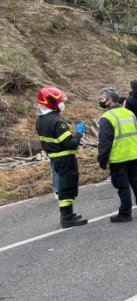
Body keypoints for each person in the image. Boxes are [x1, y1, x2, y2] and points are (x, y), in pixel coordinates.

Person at [36, 86, 88, 228]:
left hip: (56, 159)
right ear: (52, 103)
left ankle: (69, 214)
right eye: (60, 101)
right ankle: (67, 217)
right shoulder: (57, 122)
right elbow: (70, 143)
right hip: (65, 160)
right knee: (67, 188)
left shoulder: (40, 120)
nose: (63, 103)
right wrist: (79, 133)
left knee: (65, 187)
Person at [97, 87, 137, 223]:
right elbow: (136, 133)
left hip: (118, 157)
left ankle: (125, 213)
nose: (100, 102)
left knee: (123, 186)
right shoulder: (129, 113)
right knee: (136, 182)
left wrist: (102, 159)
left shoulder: (107, 117)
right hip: (134, 154)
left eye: (102, 99)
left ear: (109, 100)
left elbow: (105, 141)